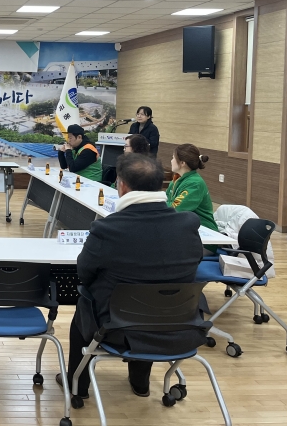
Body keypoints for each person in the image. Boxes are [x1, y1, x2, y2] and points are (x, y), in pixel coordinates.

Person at [58, 154, 204, 400]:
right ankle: (140, 382)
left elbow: (84, 273)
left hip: (117, 329)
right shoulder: (188, 224)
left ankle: (77, 385)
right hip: (180, 326)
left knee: (86, 305)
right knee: (153, 296)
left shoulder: (108, 229)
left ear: (122, 185)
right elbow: (194, 265)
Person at [167, 143, 219, 253]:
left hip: (203, 239)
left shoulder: (195, 183)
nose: (171, 161)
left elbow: (175, 209)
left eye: (173, 158)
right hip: (184, 231)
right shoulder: (177, 179)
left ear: (182, 163)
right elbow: (164, 201)